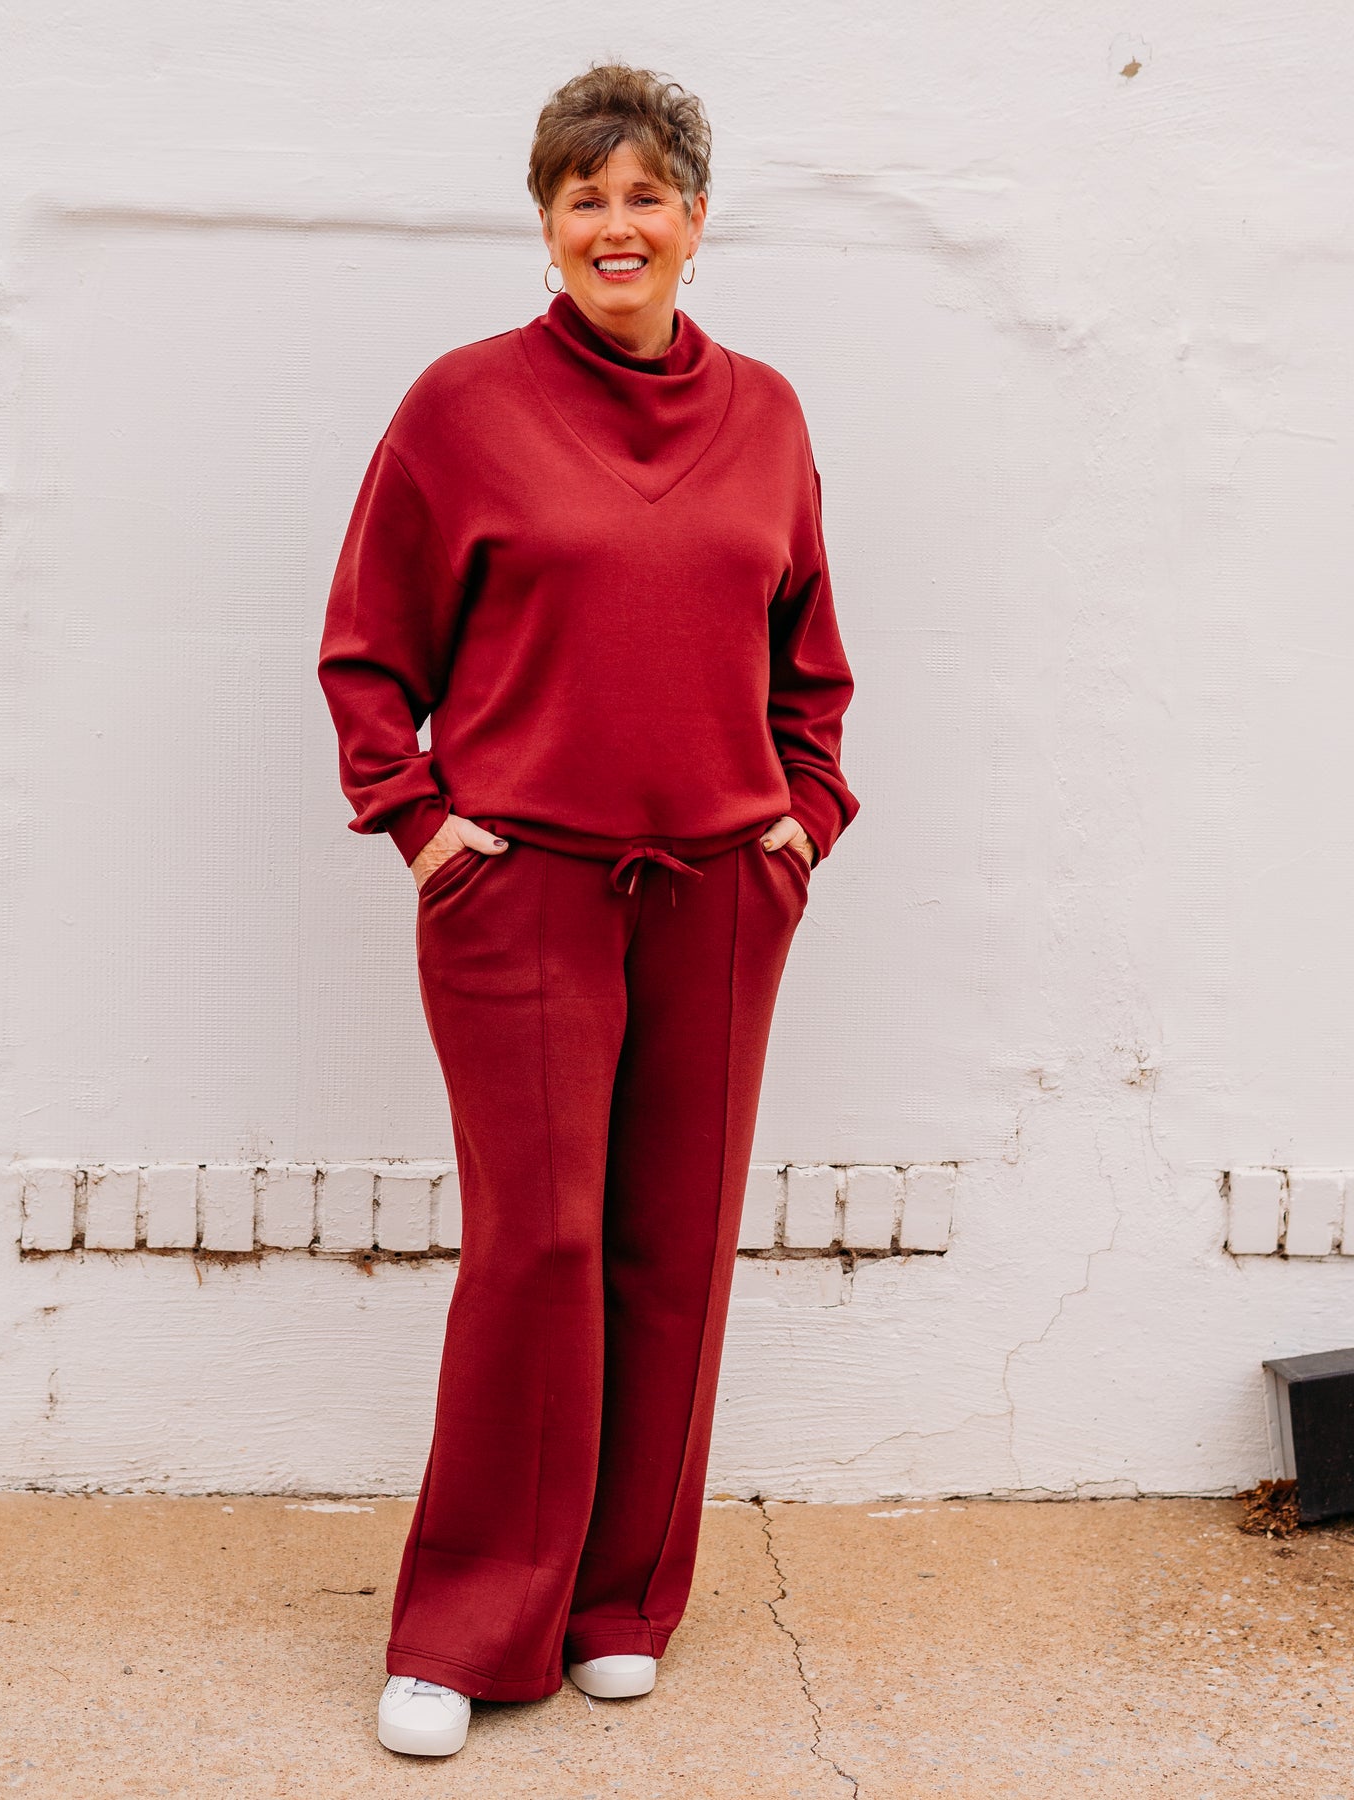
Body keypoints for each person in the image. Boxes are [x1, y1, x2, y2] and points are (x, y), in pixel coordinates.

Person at [317, 60, 860, 1759]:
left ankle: (622, 1599)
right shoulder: (461, 407)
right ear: (548, 225)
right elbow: (367, 650)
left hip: (718, 890)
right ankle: (469, 1626)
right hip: (523, 891)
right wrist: (420, 824)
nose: (615, 225)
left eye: (644, 196)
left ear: (696, 220)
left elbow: (809, 661)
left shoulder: (769, 415)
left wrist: (801, 824)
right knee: (538, 1249)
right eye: (584, 197)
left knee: (674, 1245)